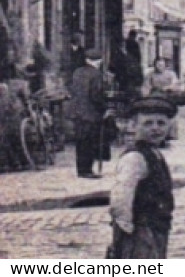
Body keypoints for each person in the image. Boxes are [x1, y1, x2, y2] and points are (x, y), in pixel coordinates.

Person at [107, 95, 177, 259]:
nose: (155, 128)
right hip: (141, 230)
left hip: (157, 227)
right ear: (134, 125)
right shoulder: (135, 158)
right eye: (148, 123)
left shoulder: (154, 153)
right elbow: (121, 193)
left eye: (161, 123)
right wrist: (125, 229)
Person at [66, 50, 108, 178]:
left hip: (77, 112)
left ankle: (81, 169)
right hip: (91, 113)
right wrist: (104, 108)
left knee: (80, 142)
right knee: (89, 142)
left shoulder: (77, 72)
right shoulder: (96, 74)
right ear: (98, 61)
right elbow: (96, 96)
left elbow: (71, 89)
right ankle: (87, 171)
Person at [143, 58, 181, 145]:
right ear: (155, 65)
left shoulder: (171, 74)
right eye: (158, 65)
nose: (160, 67)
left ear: (165, 65)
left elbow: (175, 84)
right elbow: (146, 86)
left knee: (169, 116)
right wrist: (146, 95)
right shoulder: (150, 75)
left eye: (162, 65)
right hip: (155, 98)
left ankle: (169, 135)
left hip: (167, 98)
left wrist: (168, 88)